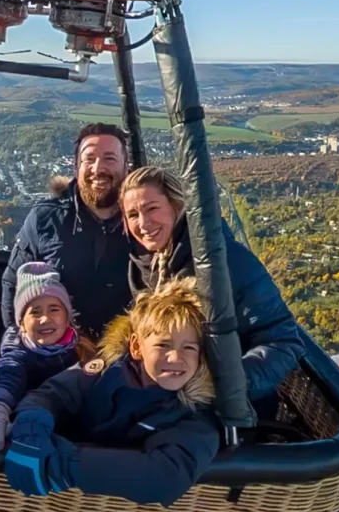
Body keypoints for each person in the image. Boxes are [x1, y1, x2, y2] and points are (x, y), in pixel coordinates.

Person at [1, 276, 221, 507]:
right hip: (62, 506)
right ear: (136, 347)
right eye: (163, 345)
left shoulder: (195, 414)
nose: (175, 357)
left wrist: (65, 466)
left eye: (189, 348)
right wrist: (32, 428)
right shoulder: (106, 372)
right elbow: (53, 394)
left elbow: (165, 475)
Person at [118, 165, 303, 406]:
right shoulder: (142, 267)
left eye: (152, 208)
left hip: (225, 410)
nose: (143, 223)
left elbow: (282, 340)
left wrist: (225, 388)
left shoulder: (224, 262)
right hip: (165, 402)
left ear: (177, 206)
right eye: (133, 215)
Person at [1, 123, 134, 338]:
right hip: (59, 349)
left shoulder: (144, 222)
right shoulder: (46, 219)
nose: (98, 168)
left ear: (126, 166)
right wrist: (20, 343)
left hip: (128, 349)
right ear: (76, 167)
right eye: (89, 159)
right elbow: (13, 283)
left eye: (109, 158)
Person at [0, 262, 89, 453]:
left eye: (54, 309)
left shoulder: (85, 350)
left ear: (68, 318)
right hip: (26, 437)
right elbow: (7, 376)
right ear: (22, 324)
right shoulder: (18, 353)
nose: (45, 319)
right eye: (35, 312)